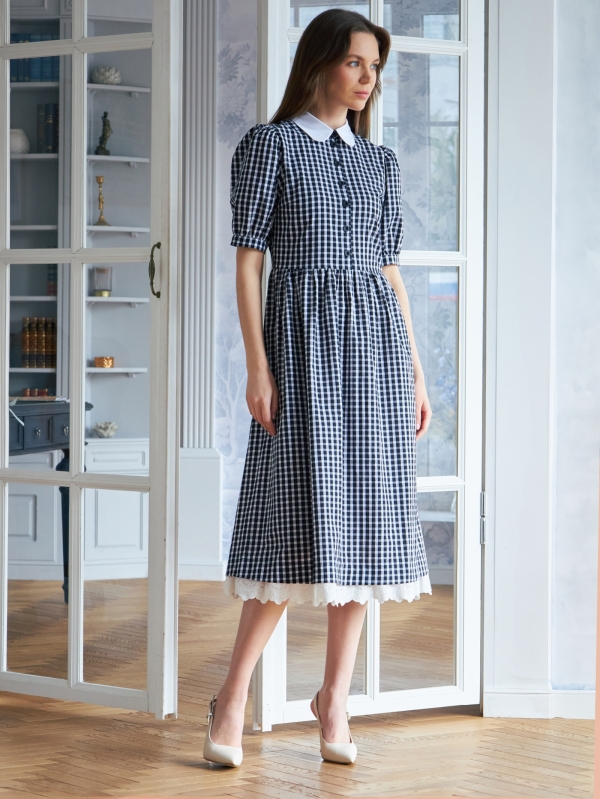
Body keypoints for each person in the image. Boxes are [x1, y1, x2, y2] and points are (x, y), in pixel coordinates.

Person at [203, 8, 432, 768]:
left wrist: (414, 370)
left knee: (365, 524)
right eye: (356, 62)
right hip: (300, 350)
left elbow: (389, 271)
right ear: (320, 63)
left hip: (375, 354)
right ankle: (233, 694)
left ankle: (334, 699)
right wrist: (257, 365)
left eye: (376, 67)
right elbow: (249, 262)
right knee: (291, 518)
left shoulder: (380, 162)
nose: (368, 79)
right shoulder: (268, 146)